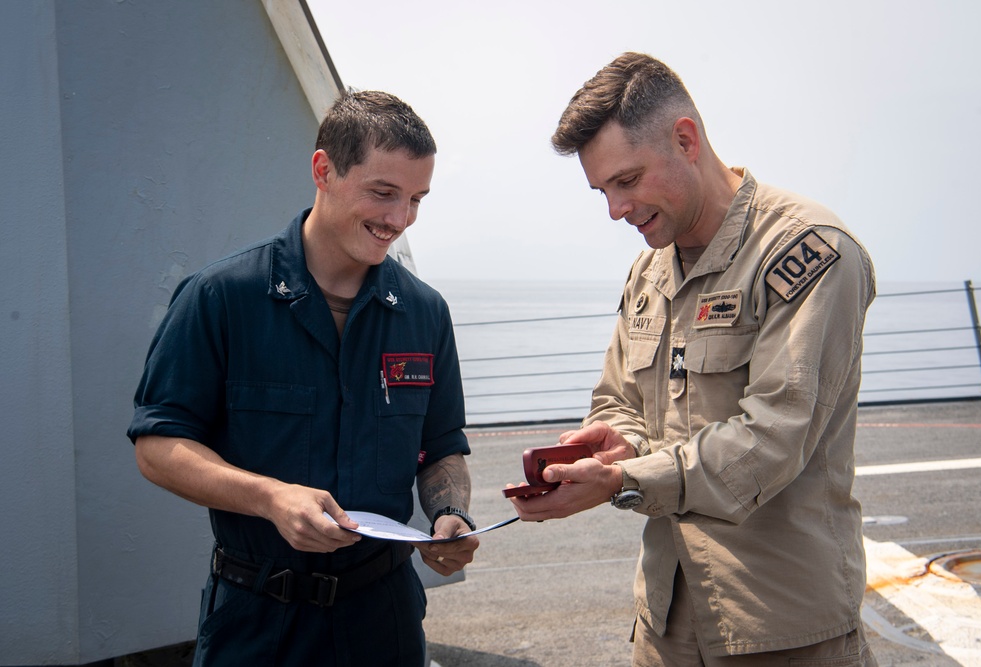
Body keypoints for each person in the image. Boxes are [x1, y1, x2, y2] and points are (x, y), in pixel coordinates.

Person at [508, 53, 877, 666]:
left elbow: (772, 441)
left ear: (686, 139)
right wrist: (616, 443)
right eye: (602, 190)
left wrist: (623, 480)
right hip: (667, 621)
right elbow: (618, 399)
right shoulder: (649, 270)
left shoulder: (809, 252)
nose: (615, 210)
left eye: (627, 181)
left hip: (782, 628)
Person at [128, 90, 479, 666]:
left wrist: (452, 515)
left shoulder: (425, 312)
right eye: (383, 193)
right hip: (257, 622)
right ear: (324, 170)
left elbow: (442, 447)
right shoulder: (220, 298)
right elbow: (158, 445)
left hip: (383, 622)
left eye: (416, 198)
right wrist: (270, 498)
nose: (400, 219)